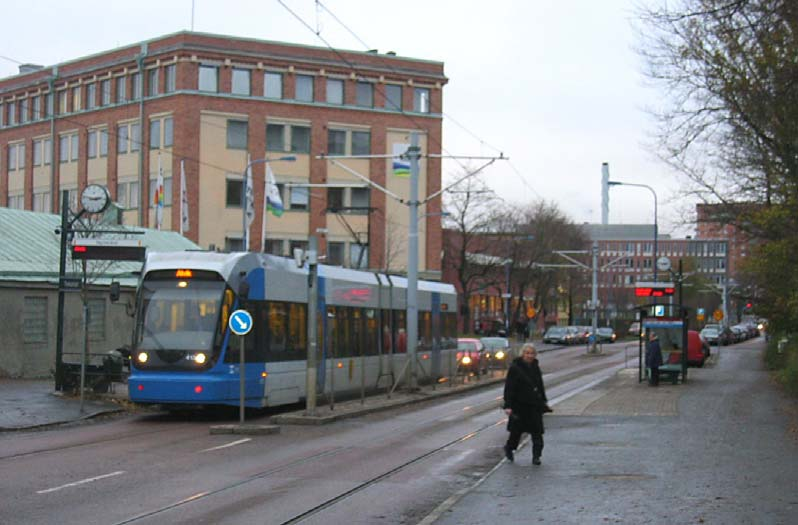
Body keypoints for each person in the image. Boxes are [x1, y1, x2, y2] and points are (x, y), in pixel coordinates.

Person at [502, 343, 551, 465]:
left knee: (537, 433)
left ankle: (536, 457)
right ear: (522, 354)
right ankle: (509, 449)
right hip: (519, 406)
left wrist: (543, 401)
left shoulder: (535, 367)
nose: (529, 356)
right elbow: (509, 388)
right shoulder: (515, 368)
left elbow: (539, 386)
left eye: (532, 353)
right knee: (516, 433)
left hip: (534, 405)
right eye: (527, 353)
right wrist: (508, 405)